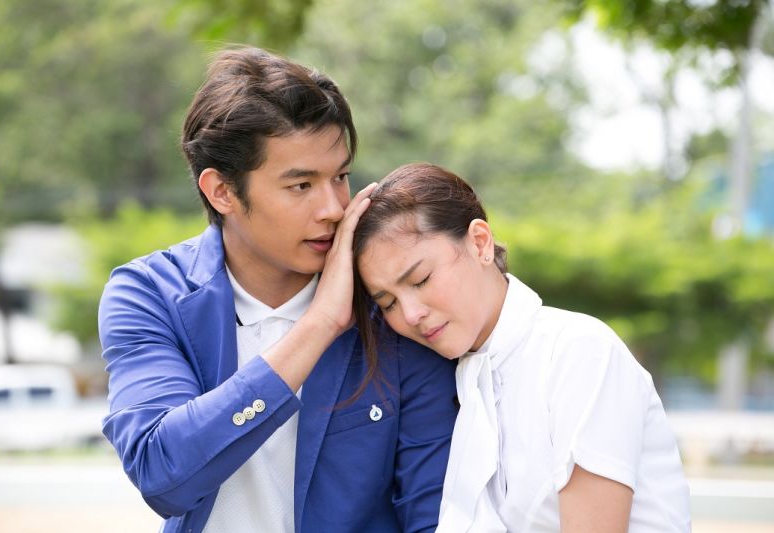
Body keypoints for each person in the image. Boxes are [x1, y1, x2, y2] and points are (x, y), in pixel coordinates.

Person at [98, 48, 458, 533]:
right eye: (301, 185)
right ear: (222, 191)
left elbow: (434, 515)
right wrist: (318, 325)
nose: (333, 208)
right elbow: (162, 474)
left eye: (340, 177)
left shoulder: (391, 306)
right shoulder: (150, 295)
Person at [351, 163, 692, 533]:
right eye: (388, 303)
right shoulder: (459, 378)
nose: (411, 314)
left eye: (421, 279)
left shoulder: (577, 351)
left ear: (480, 243)